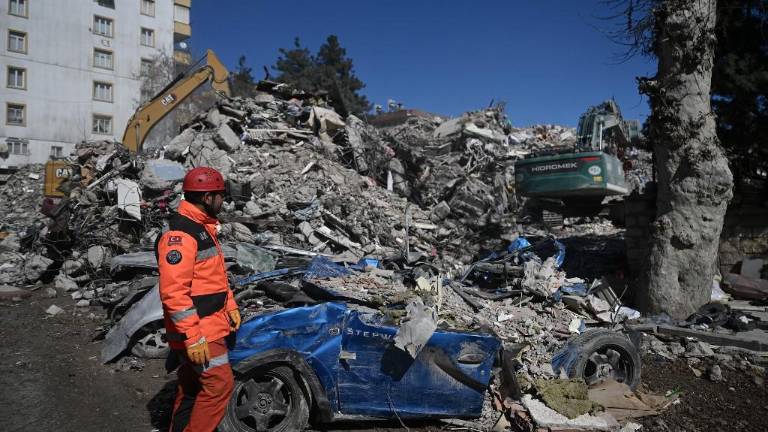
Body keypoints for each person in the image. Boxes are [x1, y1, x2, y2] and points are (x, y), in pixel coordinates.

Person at [156, 166, 241, 432]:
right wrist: (193, 337)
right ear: (207, 197)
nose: (223, 201)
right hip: (200, 331)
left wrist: (230, 304)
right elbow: (173, 292)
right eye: (220, 195)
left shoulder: (202, 227)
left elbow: (212, 278)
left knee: (192, 387)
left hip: (209, 324)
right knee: (219, 385)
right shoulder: (181, 235)